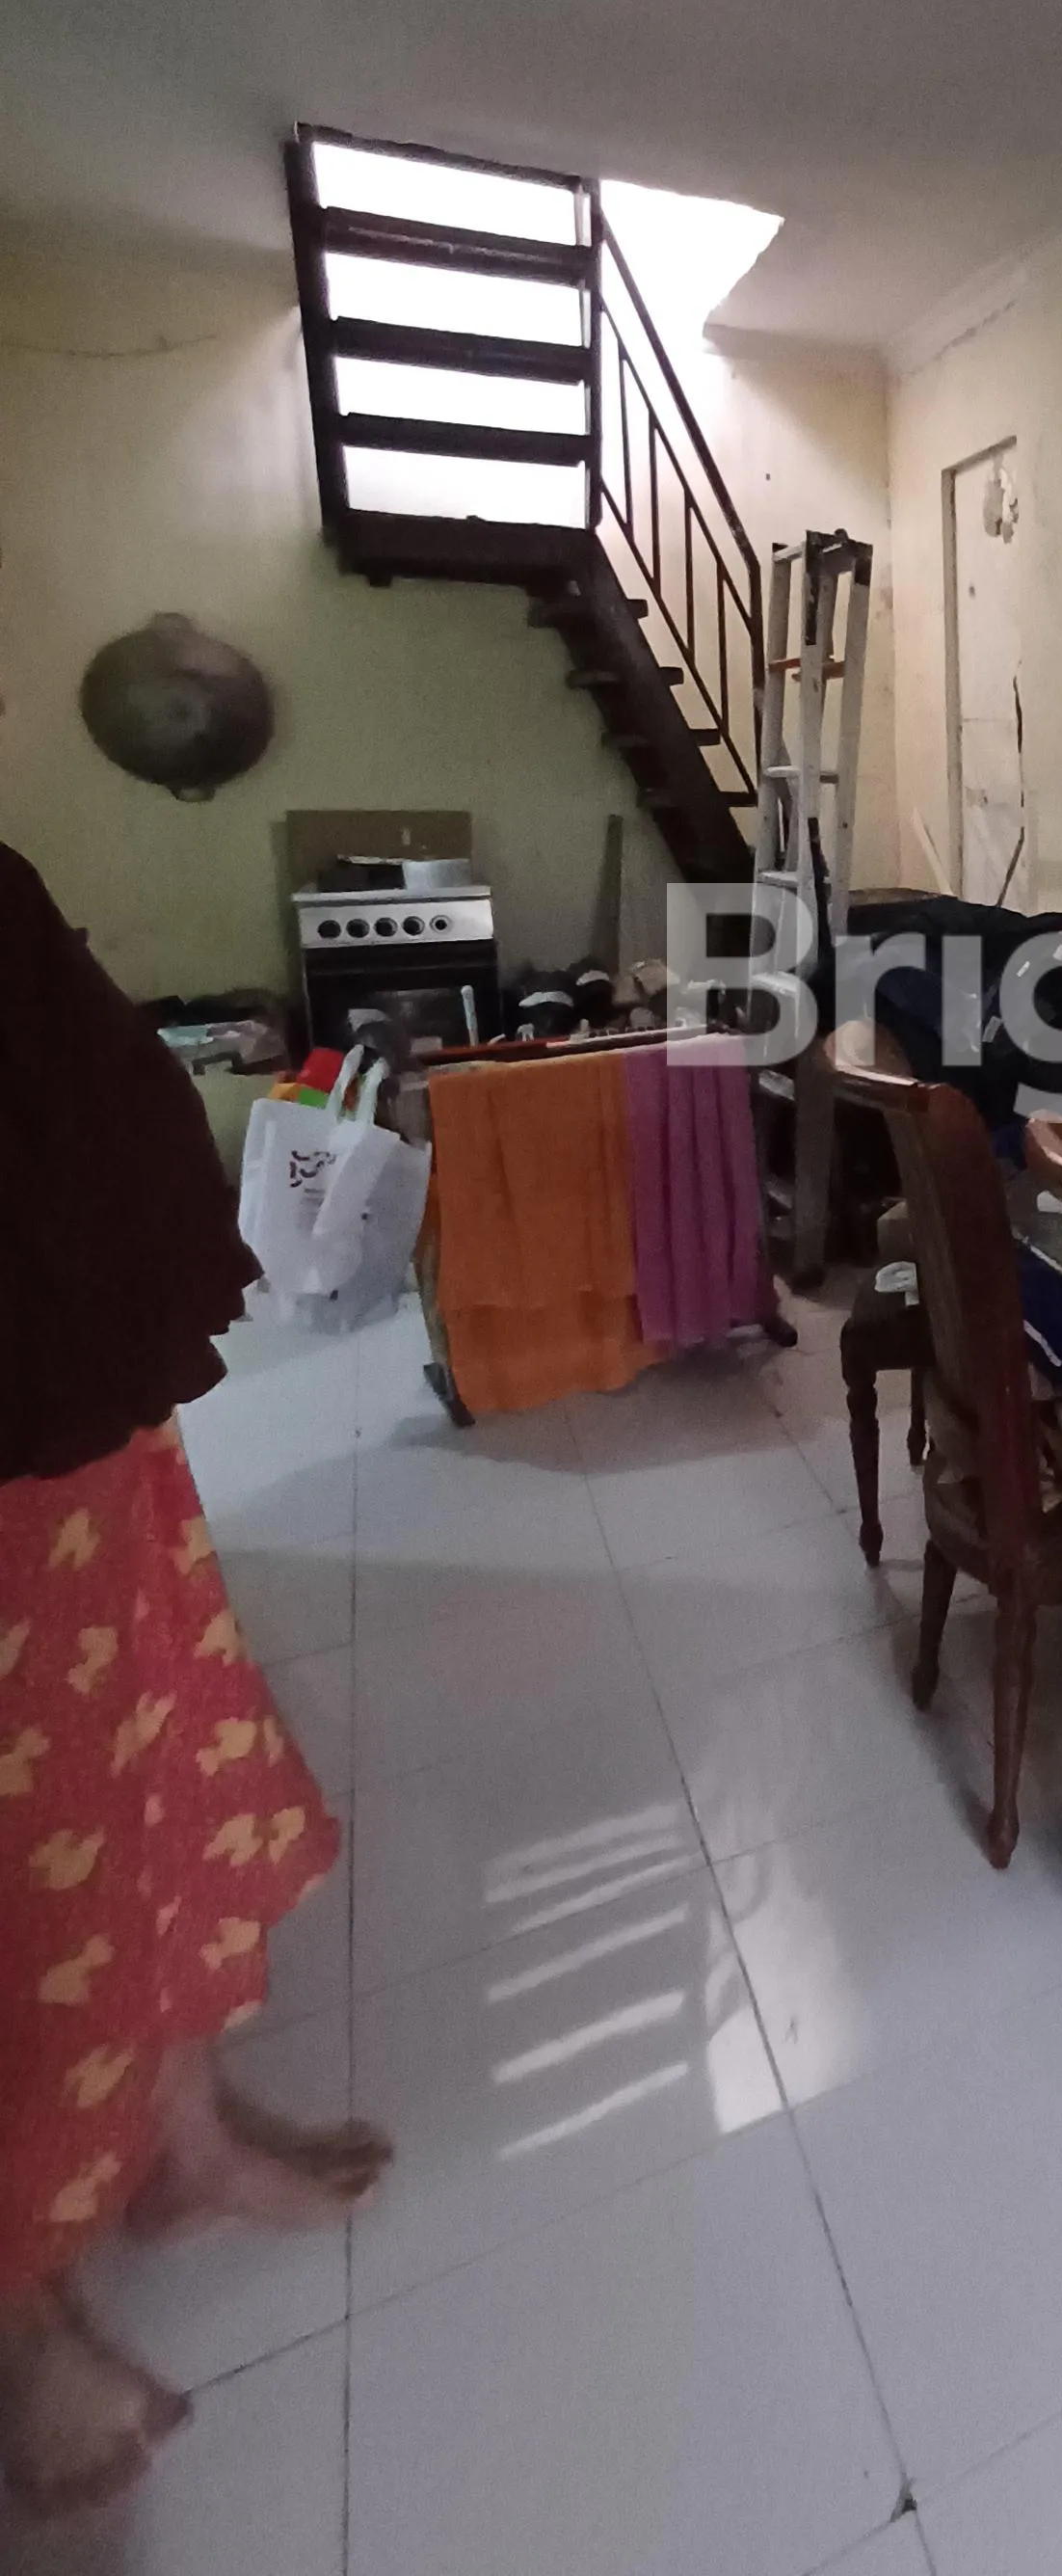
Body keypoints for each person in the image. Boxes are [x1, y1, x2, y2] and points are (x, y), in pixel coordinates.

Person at [0, 840, 389, 2517]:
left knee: (155, 1774)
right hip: (28, 1402)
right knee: (40, 1870)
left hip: (75, 1376)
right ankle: (26, 2326)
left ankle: (185, 2141)